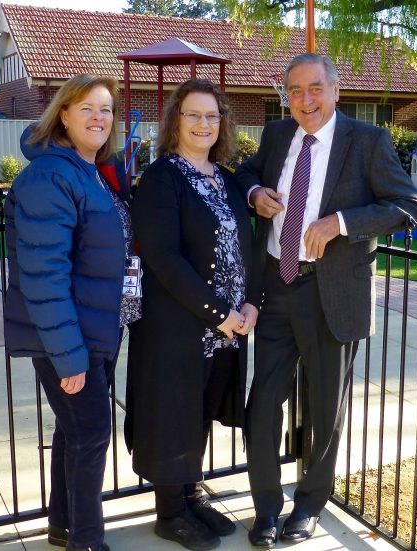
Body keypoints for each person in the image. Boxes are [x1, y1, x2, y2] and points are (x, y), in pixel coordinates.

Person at [234, 53, 417, 548]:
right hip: (277, 289)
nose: (306, 100)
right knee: (261, 407)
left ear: (336, 90)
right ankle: (266, 509)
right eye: (295, 91)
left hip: (332, 293)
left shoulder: (367, 142)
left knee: (325, 410)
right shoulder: (277, 135)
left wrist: (340, 223)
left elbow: (412, 208)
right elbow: (243, 174)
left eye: (315, 88)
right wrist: (256, 190)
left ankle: (309, 505)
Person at [3, 74, 140, 551]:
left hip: (94, 328)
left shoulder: (88, 171)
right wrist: (70, 356)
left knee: (74, 429)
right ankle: (87, 542)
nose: (99, 118)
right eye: (86, 108)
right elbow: (45, 275)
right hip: (69, 337)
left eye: (106, 110)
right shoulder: (50, 175)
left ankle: (63, 525)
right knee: (92, 433)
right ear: (62, 114)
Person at [125, 79, 260, 551]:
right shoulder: (163, 177)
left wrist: (249, 304)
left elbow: (249, 247)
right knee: (173, 412)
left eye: (212, 116)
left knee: (199, 410)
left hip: (224, 328)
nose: (203, 124)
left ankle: (191, 491)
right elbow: (162, 257)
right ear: (175, 122)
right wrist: (218, 311)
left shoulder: (226, 178)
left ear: (222, 123)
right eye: (193, 115)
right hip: (177, 325)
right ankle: (169, 512)